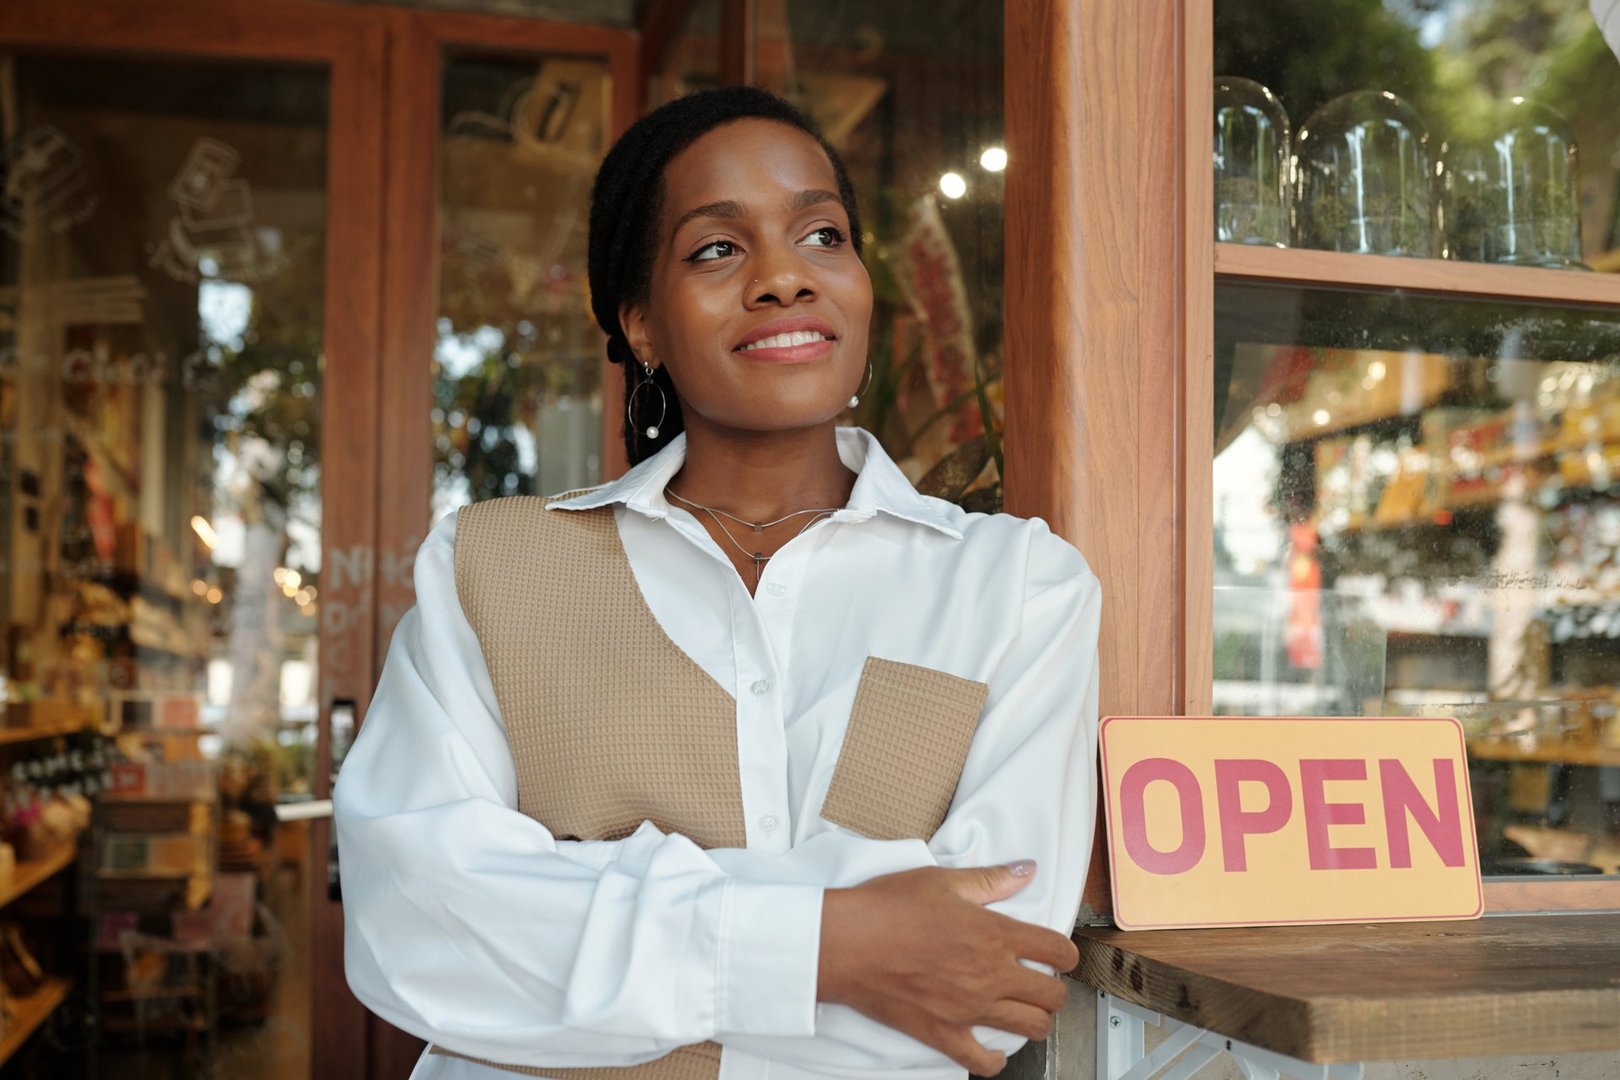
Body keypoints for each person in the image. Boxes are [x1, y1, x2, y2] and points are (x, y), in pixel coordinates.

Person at [334, 86, 1102, 1080]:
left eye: (821, 234)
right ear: (641, 323)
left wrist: (580, 913)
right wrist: (836, 946)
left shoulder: (1017, 587)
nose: (785, 277)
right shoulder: (488, 569)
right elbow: (423, 926)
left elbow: (989, 981)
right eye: (716, 249)